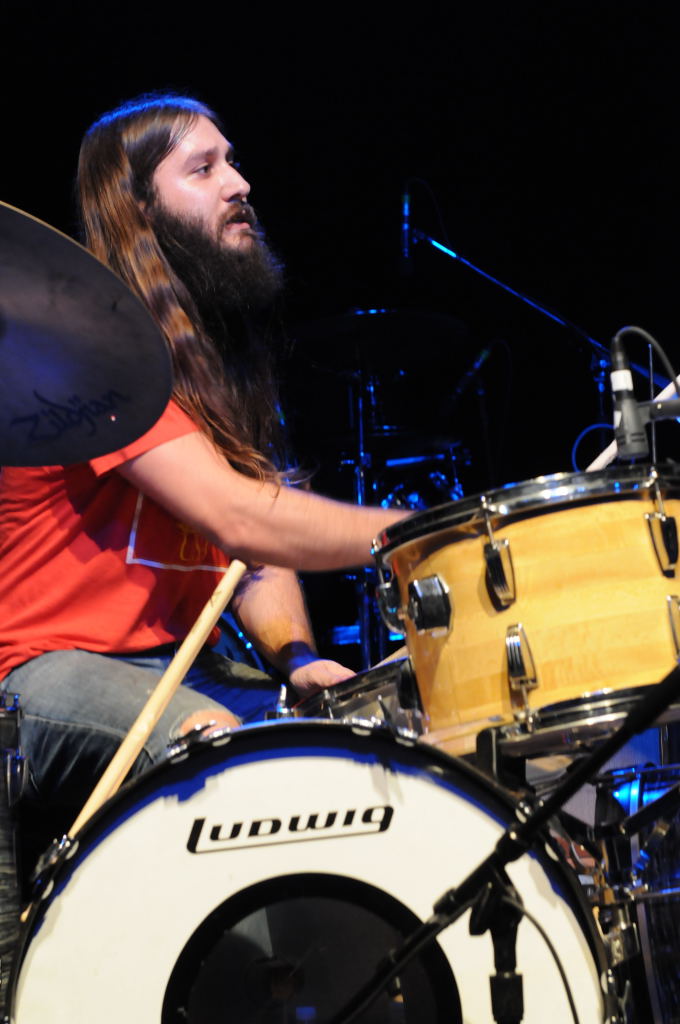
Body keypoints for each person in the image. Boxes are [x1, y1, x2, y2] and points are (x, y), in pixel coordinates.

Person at [0, 93, 407, 893]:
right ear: (140, 209)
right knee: (213, 742)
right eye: (204, 168)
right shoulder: (91, 356)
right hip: (45, 671)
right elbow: (242, 518)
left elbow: (254, 559)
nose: (240, 183)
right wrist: (428, 533)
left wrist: (297, 658)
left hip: (186, 667)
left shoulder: (216, 369)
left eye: (234, 161)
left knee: (361, 735)